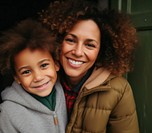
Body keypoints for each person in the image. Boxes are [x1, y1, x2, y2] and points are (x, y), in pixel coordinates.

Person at [39, 0, 139, 132]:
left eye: (90, 45)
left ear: (101, 50)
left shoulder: (119, 91)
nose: (78, 52)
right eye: (70, 40)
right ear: (57, 41)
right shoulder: (39, 80)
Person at [0, 19, 67, 133]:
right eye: (26, 72)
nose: (38, 77)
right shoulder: (9, 114)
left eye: (44, 65)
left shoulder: (64, 91)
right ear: (17, 78)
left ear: (56, 64)